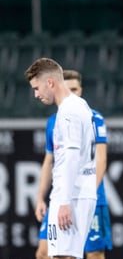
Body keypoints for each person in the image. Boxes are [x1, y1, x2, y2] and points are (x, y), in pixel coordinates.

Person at [34, 70, 113, 259]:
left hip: (87, 194)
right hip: (62, 197)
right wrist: (40, 198)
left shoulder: (94, 118)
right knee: (46, 253)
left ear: (81, 90)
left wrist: (89, 191)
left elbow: (101, 159)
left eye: (75, 89)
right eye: (68, 90)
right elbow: (48, 161)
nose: (72, 94)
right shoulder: (53, 122)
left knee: (93, 253)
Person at [25, 58, 97, 259]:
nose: (36, 94)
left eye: (36, 88)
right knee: (62, 256)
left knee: (61, 256)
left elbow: (72, 157)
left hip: (71, 195)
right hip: (77, 193)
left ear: (50, 82)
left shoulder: (68, 112)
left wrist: (64, 201)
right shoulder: (80, 105)